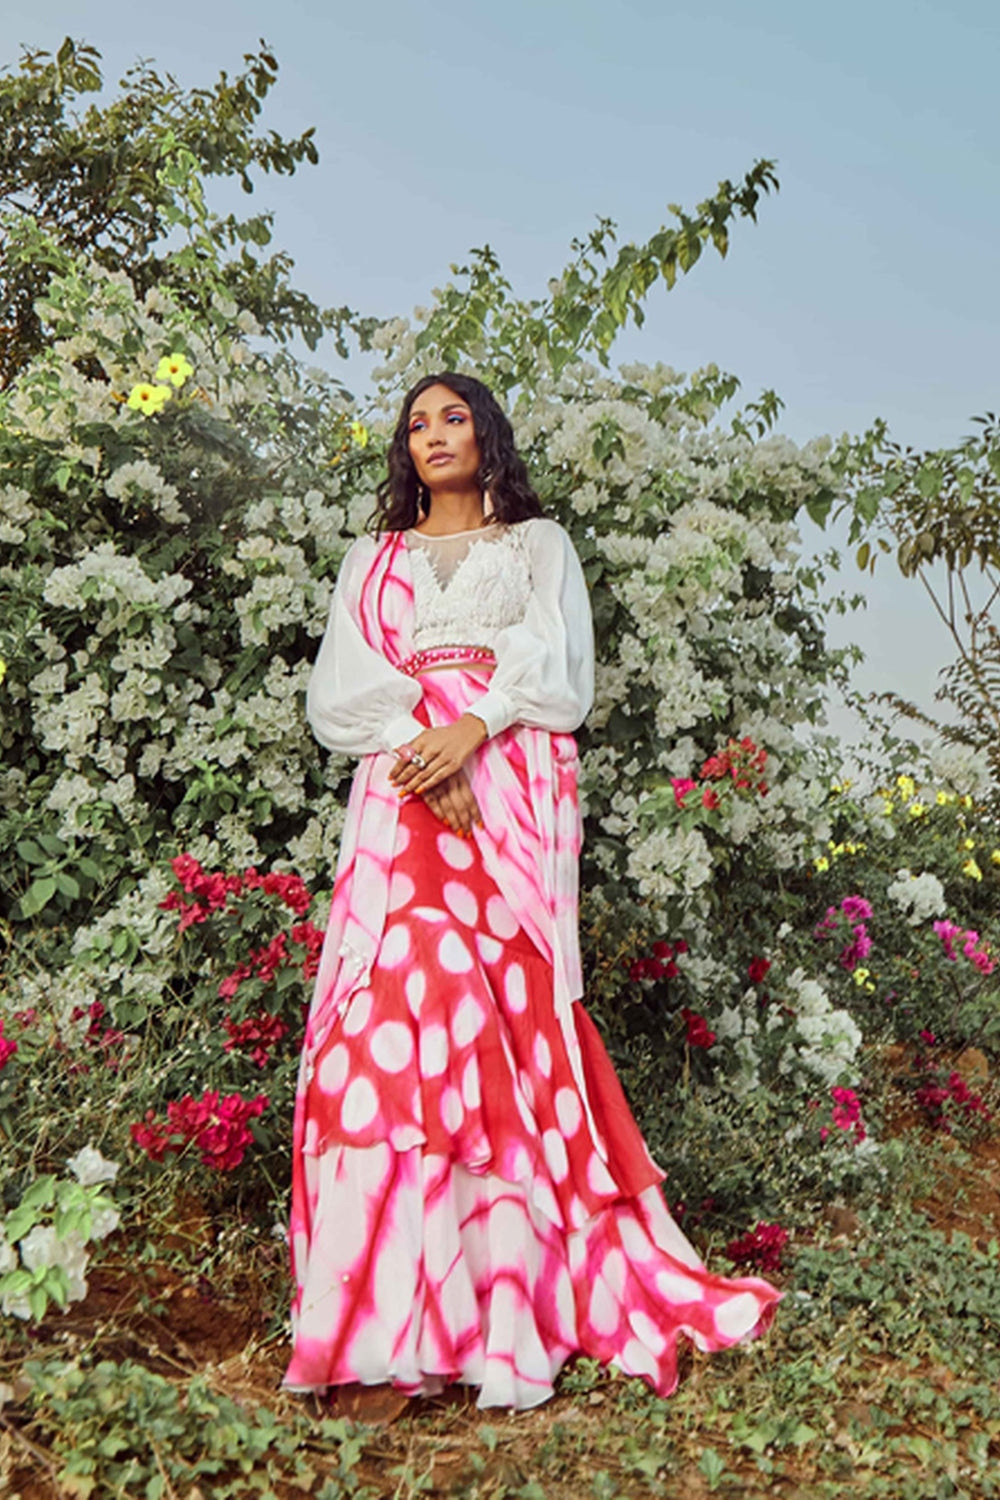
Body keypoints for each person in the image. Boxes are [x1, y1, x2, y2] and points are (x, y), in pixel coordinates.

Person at [283, 372, 780, 1410]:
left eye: (452, 416)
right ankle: (380, 1324)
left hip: (505, 785)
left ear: (486, 433)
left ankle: (499, 1315)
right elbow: (341, 686)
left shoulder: (536, 546)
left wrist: (473, 735)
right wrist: (425, 756)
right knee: (389, 1028)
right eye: (416, 424)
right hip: (404, 792)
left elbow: (560, 674)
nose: (433, 435)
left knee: (487, 1029)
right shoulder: (370, 562)